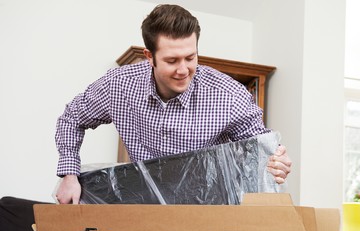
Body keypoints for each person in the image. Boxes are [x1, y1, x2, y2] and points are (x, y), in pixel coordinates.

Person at [55, 4, 292, 204]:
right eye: (171, 60)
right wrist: (69, 175)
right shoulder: (120, 86)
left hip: (210, 209)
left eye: (191, 58)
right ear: (150, 57)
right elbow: (71, 119)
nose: (183, 70)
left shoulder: (227, 94)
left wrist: (277, 162)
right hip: (142, 204)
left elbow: (261, 149)